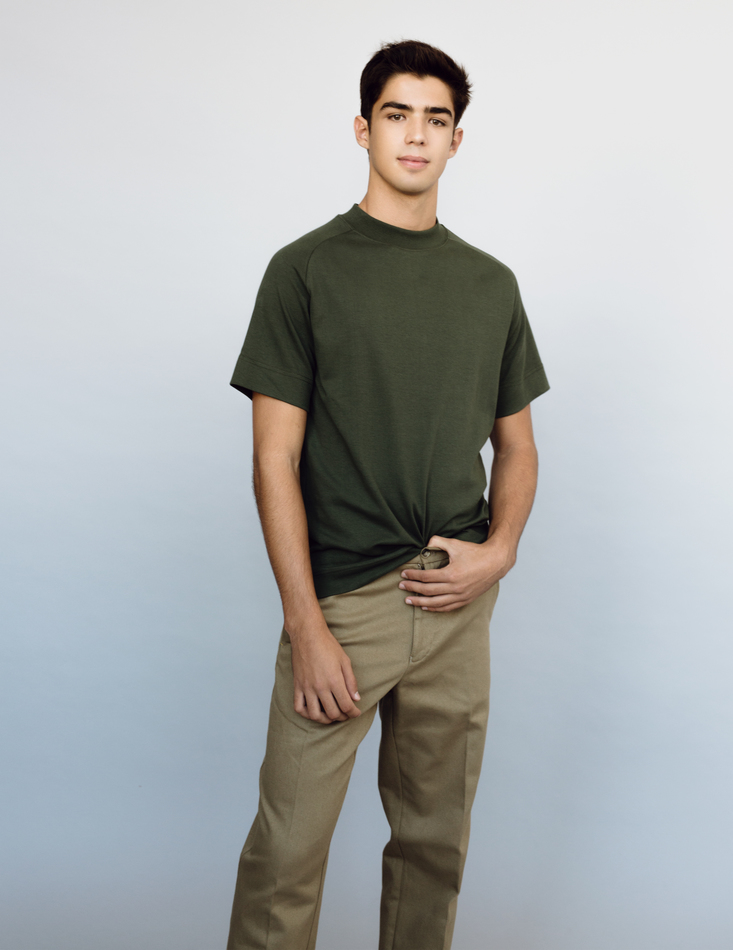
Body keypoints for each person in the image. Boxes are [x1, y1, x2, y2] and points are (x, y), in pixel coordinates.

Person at [226, 38, 550, 950]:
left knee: (433, 849)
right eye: (396, 115)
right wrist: (305, 625)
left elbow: (517, 446)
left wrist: (499, 552)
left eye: (435, 119)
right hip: (344, 604)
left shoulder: (491, 285)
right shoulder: (305, 270)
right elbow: (272, 460)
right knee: (287, 854)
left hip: (456, 596)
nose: (415, 135)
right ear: (362, 129)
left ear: (456, 140)